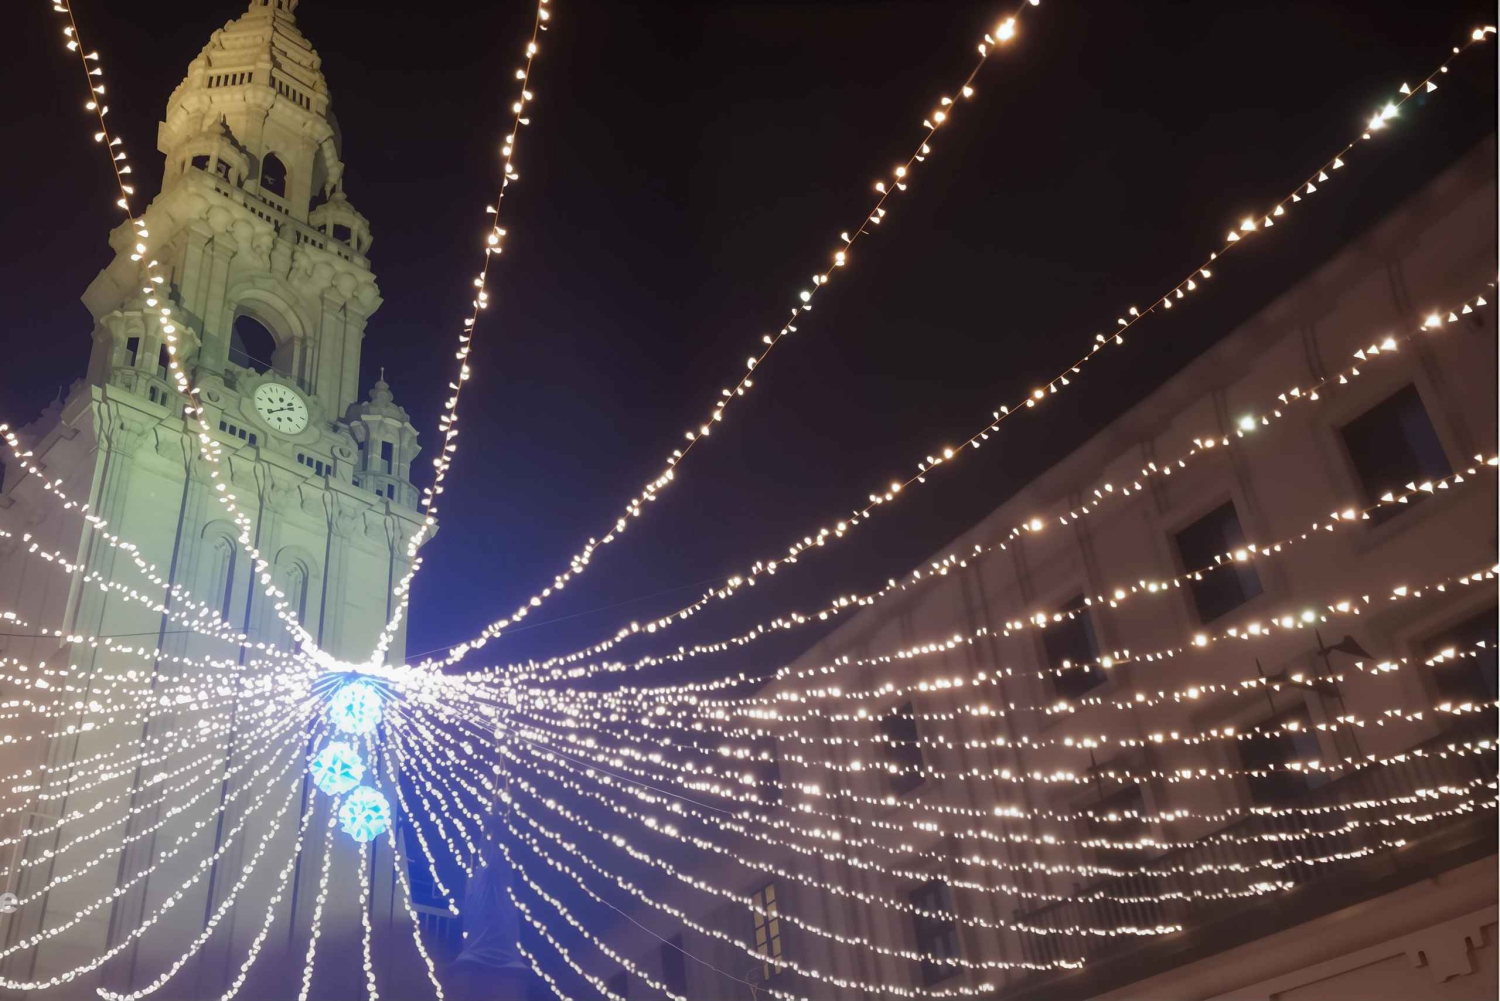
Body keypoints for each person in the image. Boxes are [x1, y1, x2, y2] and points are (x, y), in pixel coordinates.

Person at [446, 830, 532, 1001]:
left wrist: (492, 816)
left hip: (497, 959)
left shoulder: (492, 873)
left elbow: (495, 842)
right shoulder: (477, 877)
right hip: (482, 957)